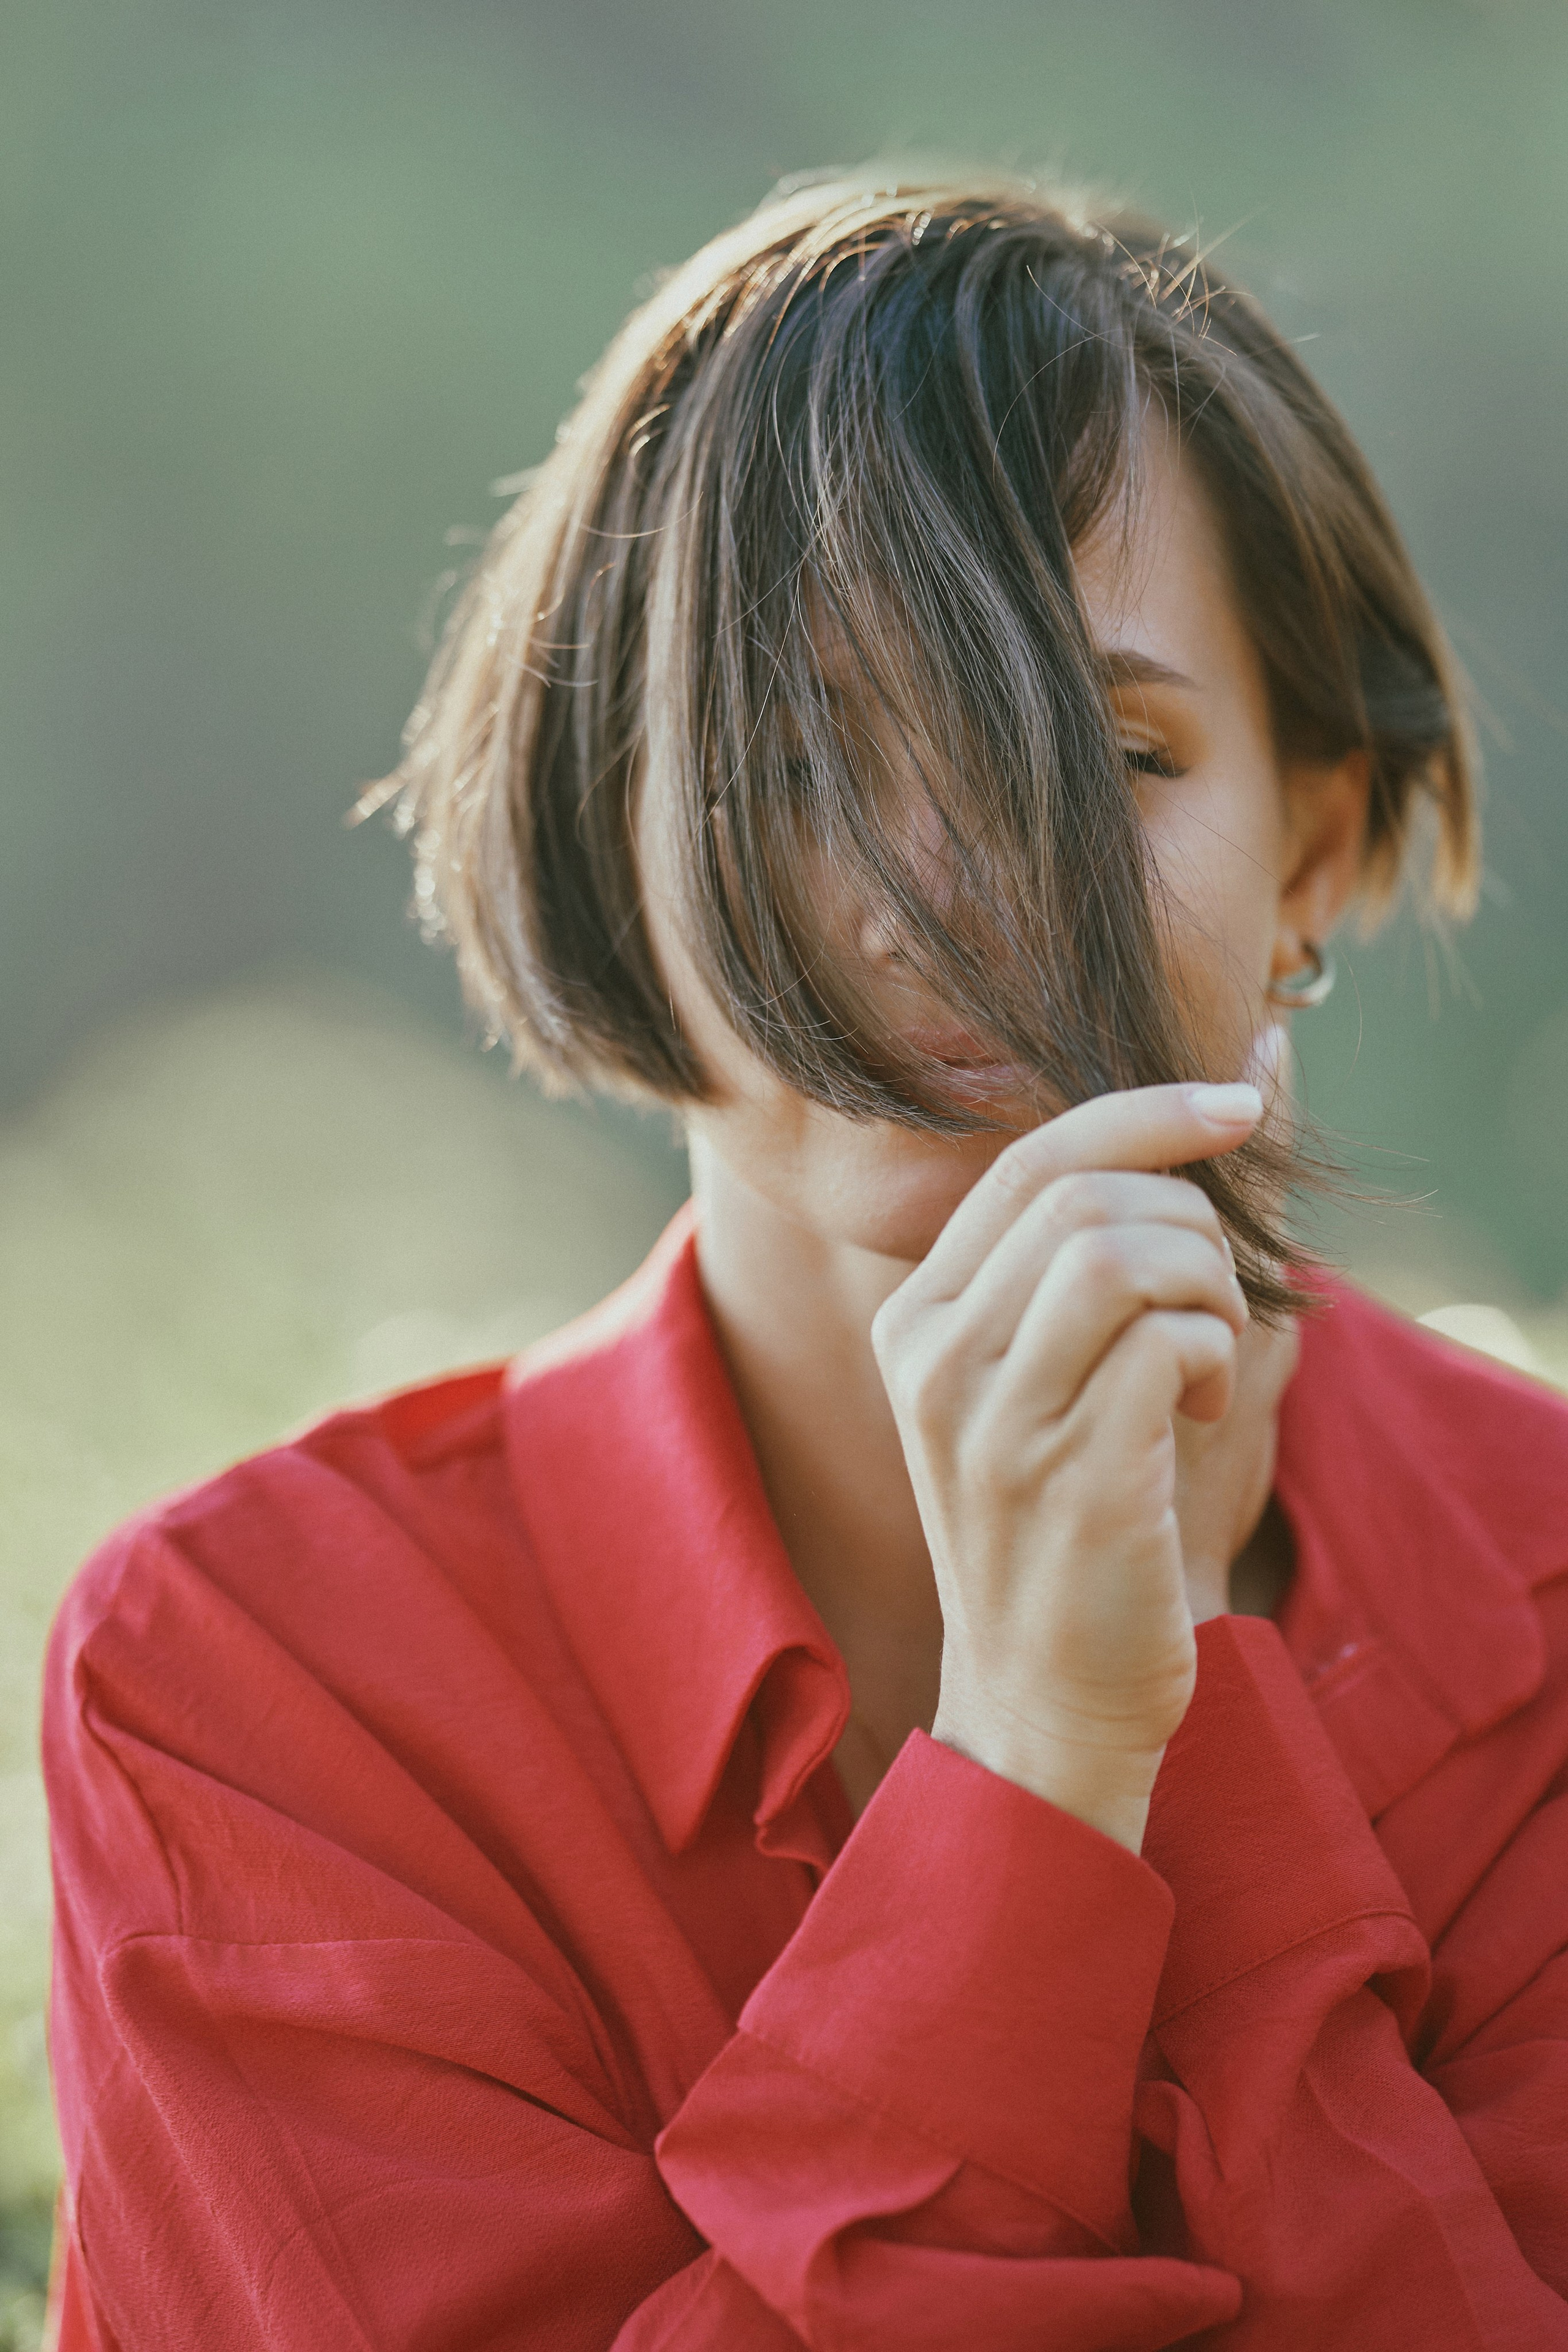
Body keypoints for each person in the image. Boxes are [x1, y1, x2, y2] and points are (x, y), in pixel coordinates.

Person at [42, 171, 1568, 2349]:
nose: (946, 890)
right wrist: (1040, 1760)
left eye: (1111, 753)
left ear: (1313, 842)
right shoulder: (260, 1691)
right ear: (607, 816)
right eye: (800, 753)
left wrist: (1194, 1704)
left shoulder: (1546, 1617)